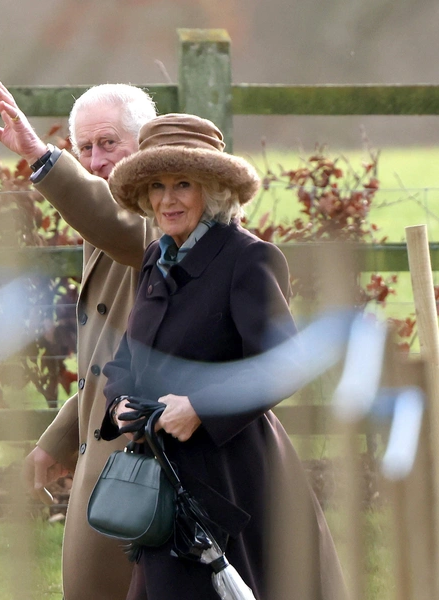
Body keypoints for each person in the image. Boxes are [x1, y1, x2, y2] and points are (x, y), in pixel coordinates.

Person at [100, 114, 348, 600]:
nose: (166, 199)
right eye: (156, 185)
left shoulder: (248, 259)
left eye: (182, 184)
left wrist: (199, 407)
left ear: (212, 191)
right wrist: (118, 402)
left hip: (233, 477)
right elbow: (128, 356)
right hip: (162, 477)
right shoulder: (156, 257)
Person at [0, 77, 160, 600]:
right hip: (113, 444)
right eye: (85, 147)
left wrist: (42, 159)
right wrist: (58, 441)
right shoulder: (111, 216)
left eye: (109, 143)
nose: (96, 160)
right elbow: (111, 354)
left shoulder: (163, 215)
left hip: (152, 452)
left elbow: (124, 229)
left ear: (145, 144)